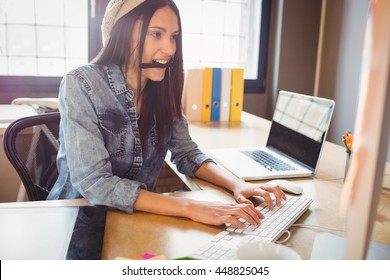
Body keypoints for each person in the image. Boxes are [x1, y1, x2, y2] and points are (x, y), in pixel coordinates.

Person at [47, 0, 286, 229]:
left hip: (135, 218)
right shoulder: (80, 82)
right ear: (123, 32)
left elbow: (187, 153)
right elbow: (95, 183)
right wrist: (189, 207)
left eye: (174, 37)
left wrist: (237, 185)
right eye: (156, 34)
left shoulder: (161, 87)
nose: (170, 49)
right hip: (79, 219)